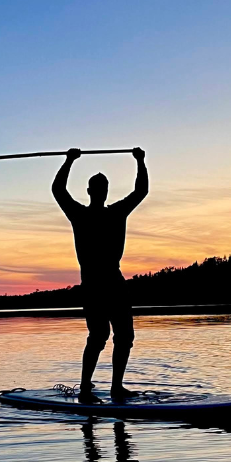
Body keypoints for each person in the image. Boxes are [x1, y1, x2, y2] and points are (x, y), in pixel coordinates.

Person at [52, 147, 148, 402]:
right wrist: (69, 161)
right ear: (90, 191)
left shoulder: (116, 212)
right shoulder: (80, 215)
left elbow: (141, 191)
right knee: (98, 336)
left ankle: (116, 387)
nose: (101, 191)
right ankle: (85, 389)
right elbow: (58, 191)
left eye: (103, 187)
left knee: (124, 336)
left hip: (114, 281)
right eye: (98, 187)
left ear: (105, 191)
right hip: (93, 285)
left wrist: (140, 161)